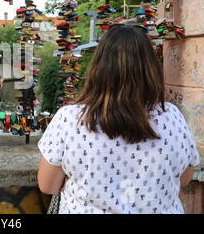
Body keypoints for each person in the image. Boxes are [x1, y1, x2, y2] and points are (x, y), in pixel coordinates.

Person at [37, 25, 201, 214]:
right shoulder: (172, 116)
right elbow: (184, 178)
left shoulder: (70, 119)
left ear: (98, 68)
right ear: (150, 68)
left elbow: (48, 186)